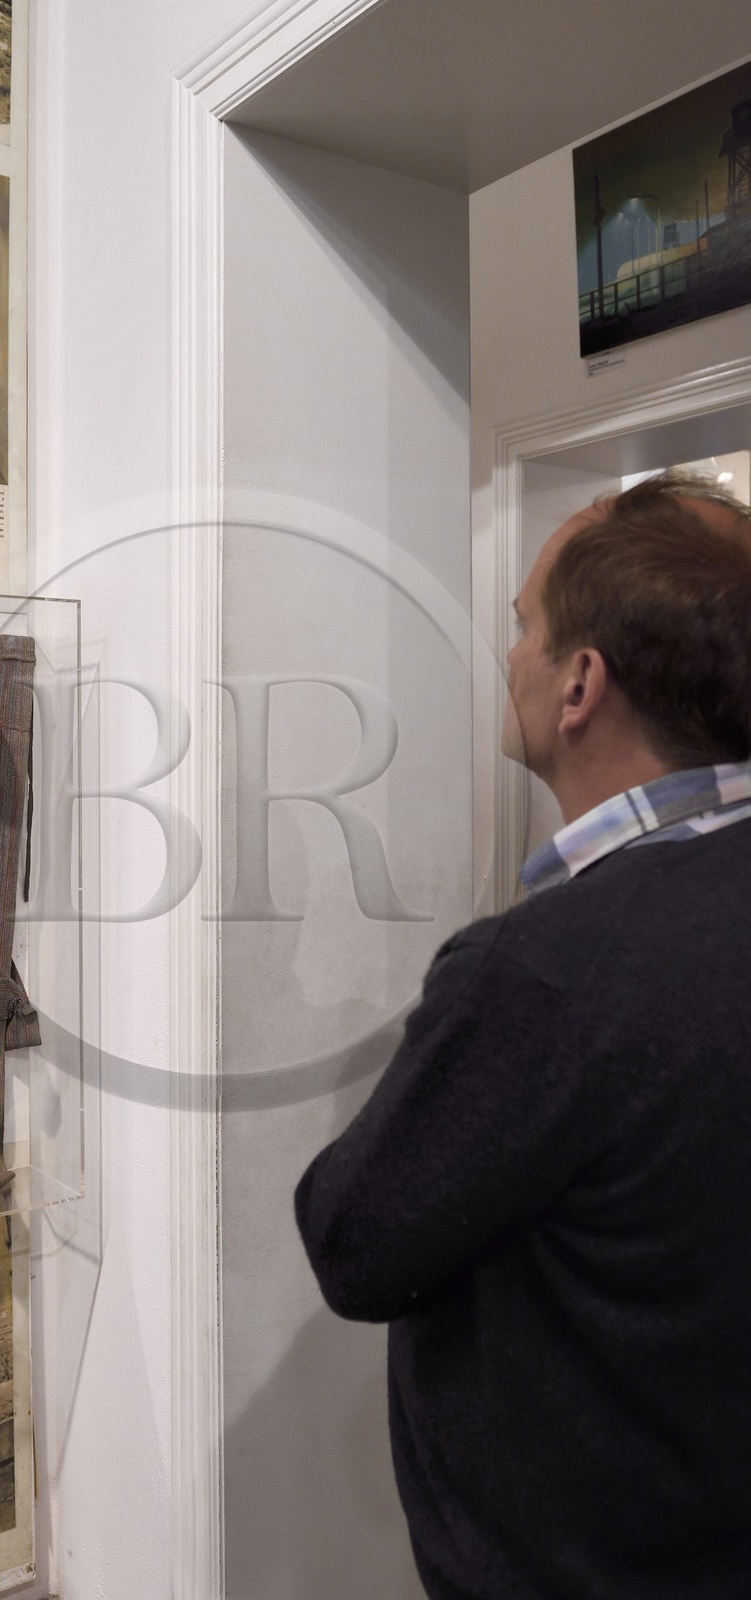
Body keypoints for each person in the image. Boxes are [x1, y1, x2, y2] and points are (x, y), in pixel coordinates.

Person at [295, 473, 751, 1599]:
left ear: (579, 684)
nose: (510, 658)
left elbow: (352, 1239)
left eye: (524, 628)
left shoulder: (547, 972)